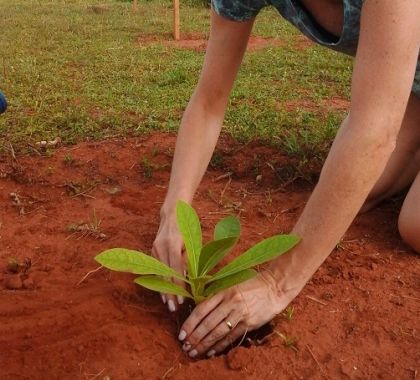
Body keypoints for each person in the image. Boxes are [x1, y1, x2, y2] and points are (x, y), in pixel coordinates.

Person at [151, 0, 420, 358]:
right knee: (355, 186)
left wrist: (276, 283)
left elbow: (375, 128)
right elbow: (208, 100)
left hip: (397, 101)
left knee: (414, 224)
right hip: (411, 90)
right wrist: (174, 209)